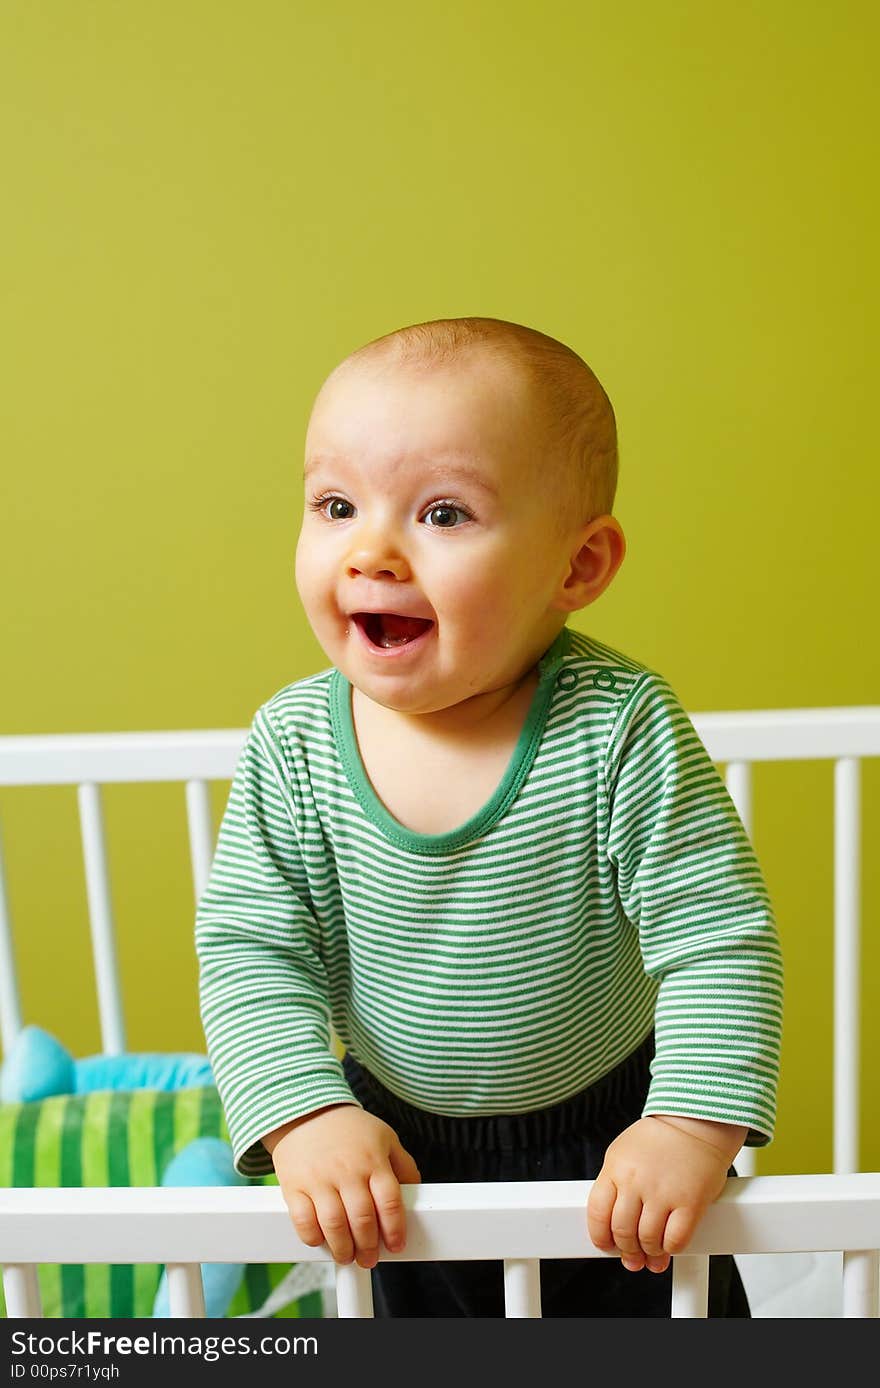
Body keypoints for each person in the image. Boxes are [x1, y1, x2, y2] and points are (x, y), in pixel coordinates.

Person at [196, 316, 783, 1317]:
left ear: (577, 567)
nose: (371, 548)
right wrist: (305, 1114)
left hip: (616, 1149)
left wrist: (685, 1128)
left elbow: (718, 941)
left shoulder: (618, 728)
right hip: (398, 1161)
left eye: (444, 513)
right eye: (335, 503)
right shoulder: (292, 745)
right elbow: (254, 950)